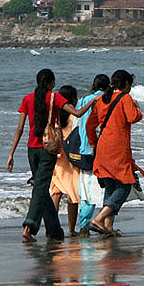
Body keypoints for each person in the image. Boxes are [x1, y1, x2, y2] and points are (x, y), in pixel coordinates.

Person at [7, 68, 98, 243]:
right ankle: (29, 226)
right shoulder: (55, 98)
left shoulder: (27, 99)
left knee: (40, 187)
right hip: (48, 150)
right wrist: (92, 102)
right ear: (52, 83)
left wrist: (11, 154)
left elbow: (20, 129)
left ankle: (54, 231)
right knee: (40, 188)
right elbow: (77, 113)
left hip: (31, 150)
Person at [86, 70, 144, 238]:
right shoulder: (125, 98)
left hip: (102, 146)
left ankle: (108, 227)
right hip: (118, 147)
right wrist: (138, 109)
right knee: (125, 185)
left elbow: (90, 125)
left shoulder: (102, 98)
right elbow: (133, 117)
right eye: (130, 85)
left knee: (110, 185)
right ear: (126, 84)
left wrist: (92, 144)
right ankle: (99, 219)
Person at [74, 74, 110, 237]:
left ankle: (84, 225)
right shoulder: (108, 99)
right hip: (101, 149)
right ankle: (105, 223)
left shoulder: (83, 100)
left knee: (86, 191)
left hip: (83, 149)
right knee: (108, 188)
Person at [49, 85, 82, 236]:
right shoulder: (74, 116)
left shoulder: (54, 115)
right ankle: (71, 229)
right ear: (73, 99)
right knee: (72, 195)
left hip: (56, 158)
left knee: (56, 193)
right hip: (70, 158)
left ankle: (52, 227)